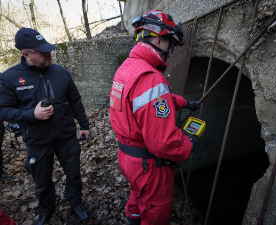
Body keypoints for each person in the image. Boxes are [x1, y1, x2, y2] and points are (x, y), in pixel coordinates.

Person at [109, 10, 200, 225]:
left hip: (127, 157)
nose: (171, 51)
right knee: (155, 213)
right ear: (159, 39)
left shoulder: (127, 68)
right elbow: (162, 142)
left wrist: (185, 103)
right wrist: (188, 145)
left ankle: (133, 218)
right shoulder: (151, 78)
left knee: (138, 195)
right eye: (171, 44)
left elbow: (147, 102)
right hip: (148, 166)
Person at [0, 27, 90, 225]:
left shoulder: (61, 72)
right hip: (37, 142)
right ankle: (47, 207)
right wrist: (31, 114)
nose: (49, 54)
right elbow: (3, 110)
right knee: (42, 181)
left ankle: (75, 201)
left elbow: (75, 100)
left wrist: (84, 125)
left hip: (66, 137)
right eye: (43, 51)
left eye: (49, 49)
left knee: (74, 174)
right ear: (26, 54)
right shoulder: (9, 78)